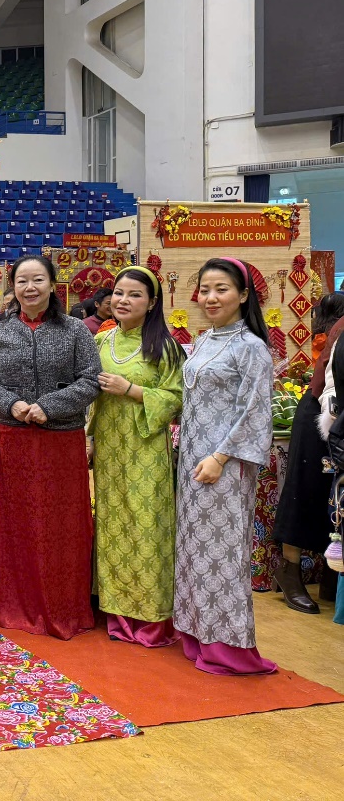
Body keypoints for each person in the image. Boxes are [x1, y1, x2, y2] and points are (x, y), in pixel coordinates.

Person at [0, 253, 101, 640]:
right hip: (15, 441)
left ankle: (64, 607)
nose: (30, 287)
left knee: (63, 525)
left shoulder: (75, 330)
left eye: (38, 280)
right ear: (13, 287)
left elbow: (91, 379)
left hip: (62, 441)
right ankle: (19, 605)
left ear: (52, 285)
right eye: (22, 281)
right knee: (19, 523)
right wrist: (11, 404)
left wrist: (50, 407)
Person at [174, 257, 277, 675]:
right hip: (192, 460)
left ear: (243, 295)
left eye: (222, 289)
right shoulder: (204, 340)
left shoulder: (251, 347)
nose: (211, 297)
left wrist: (220, 458)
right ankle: (197, 633)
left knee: (223, 554)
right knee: (194, 551)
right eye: (205, 289)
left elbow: (255, 411)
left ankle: (229, 647)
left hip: (225, 466)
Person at [89, 267, 185, 646]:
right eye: (118, 293)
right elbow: (89, 398)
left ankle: (151, 619)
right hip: (109, 450)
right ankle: (116, 613)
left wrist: (129, 389)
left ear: (152, 302)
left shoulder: (165, 347)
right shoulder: (101, 341)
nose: (123, 300)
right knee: (112, 526)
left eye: (134, 295)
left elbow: (176, 400)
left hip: (146, 450)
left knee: (147, 528)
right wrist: (88, 438)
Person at [272, 290, 344, 612]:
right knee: (305, 491)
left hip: (337, 417)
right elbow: (330, 385)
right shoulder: (341, 328)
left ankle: (332, 576)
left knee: (334, 496)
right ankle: (289, 572)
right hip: (322, 414)